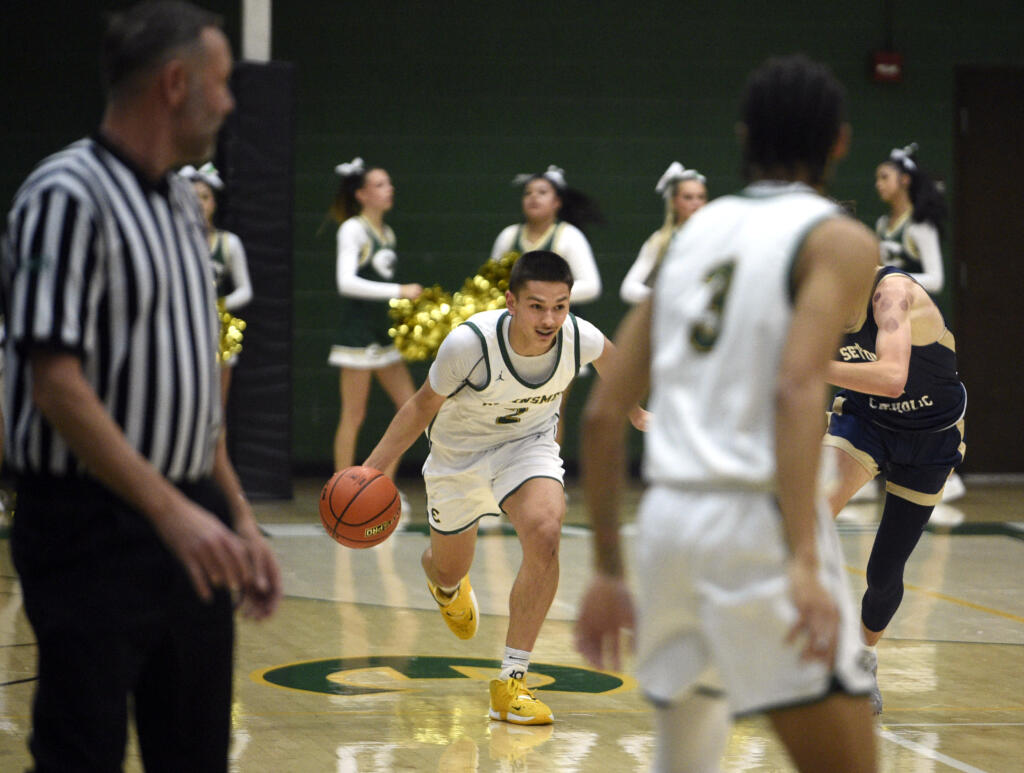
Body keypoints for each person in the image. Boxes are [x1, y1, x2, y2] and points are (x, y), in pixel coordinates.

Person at [576, 55, 879, 772]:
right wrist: (805, 557)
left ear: (745, 136)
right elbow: (797, 389)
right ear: (838, 141)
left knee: (684, 762)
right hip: (758, 527)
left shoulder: (691, 238)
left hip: (669, 527)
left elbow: (601, 411)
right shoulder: (839, 239)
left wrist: (607, 571)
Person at [0, 3, 282, 770]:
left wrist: (237, 517)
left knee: (193, 751)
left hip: (190, 512)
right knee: (81, 749)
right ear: (175, 82)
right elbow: (55, 383)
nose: (228, 103)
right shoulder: (65, 194)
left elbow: (192, 392)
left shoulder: (181, 210)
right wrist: (170, 510)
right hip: (91, 523)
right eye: (221, 84)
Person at [363, 250, 646, 726]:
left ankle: (512, 681)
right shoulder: (468, 344)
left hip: (526, 447)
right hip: (459, 457)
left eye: (560, 305)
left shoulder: (578, 336)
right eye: (537, 306)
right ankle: (445, 583)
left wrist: (637, 413)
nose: (550, 318)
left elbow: (613, 362)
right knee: (451, 567)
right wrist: (371, 470)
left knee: (545, 532)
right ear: (512, 302)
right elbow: (419, 407)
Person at [821, 264, 967, 713]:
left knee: (884, 573)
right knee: (806, 515)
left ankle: (864, 656)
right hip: (866, 420)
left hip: (931, 436)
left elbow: (891, 377)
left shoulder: (892, 294)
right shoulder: (807, 298)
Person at [872, 143, 966, 503]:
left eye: (885, 177)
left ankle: (948, 474)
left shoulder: (919, 224)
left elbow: (938, 278)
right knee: (886, 391)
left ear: (904, 180)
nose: (879, 183)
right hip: (889, 320)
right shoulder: (883, 224)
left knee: (928, 395)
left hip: (922, 323)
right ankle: (874, 468)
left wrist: (895, 279)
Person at [491, 165, 604, 445]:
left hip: (556, 334)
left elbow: (592, 285)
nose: (533, 197)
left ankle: (551, 483)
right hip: (511, 336)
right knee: (508, 410)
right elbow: (490, 283)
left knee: (550, 413)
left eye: (542, 192)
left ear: (557, 202)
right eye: (528, 192)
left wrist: (544, 303)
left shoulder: (568, 236)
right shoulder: (509, 236)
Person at [327, 158, 423, 486]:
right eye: (380, 184)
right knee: (354, 415)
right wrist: (399, 290)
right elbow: (346, 282)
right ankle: (340, 490)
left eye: (388, 183)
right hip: (357, 334)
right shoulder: (353, 229)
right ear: (361, 194)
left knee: (411, 409)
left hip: (383, 334)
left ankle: (381, 487)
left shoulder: (388, 233)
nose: (389, 189)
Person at [180, 161, 253, 411]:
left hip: (218, 330)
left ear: (214, 203)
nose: (199, 203)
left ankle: (220, 451)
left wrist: (217, 306)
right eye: (192, 197)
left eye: (204, 197)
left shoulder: (228, 243)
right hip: (181, 327)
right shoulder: (172, 242)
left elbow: (245, 290)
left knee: (216, 414)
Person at [619, 161, 708, 304]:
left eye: (701, 197)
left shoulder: (717, 237)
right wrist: (665, 300)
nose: (696, 203)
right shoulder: (662, 240)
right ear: (674, 201)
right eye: (688, 197)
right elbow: (629, 288)